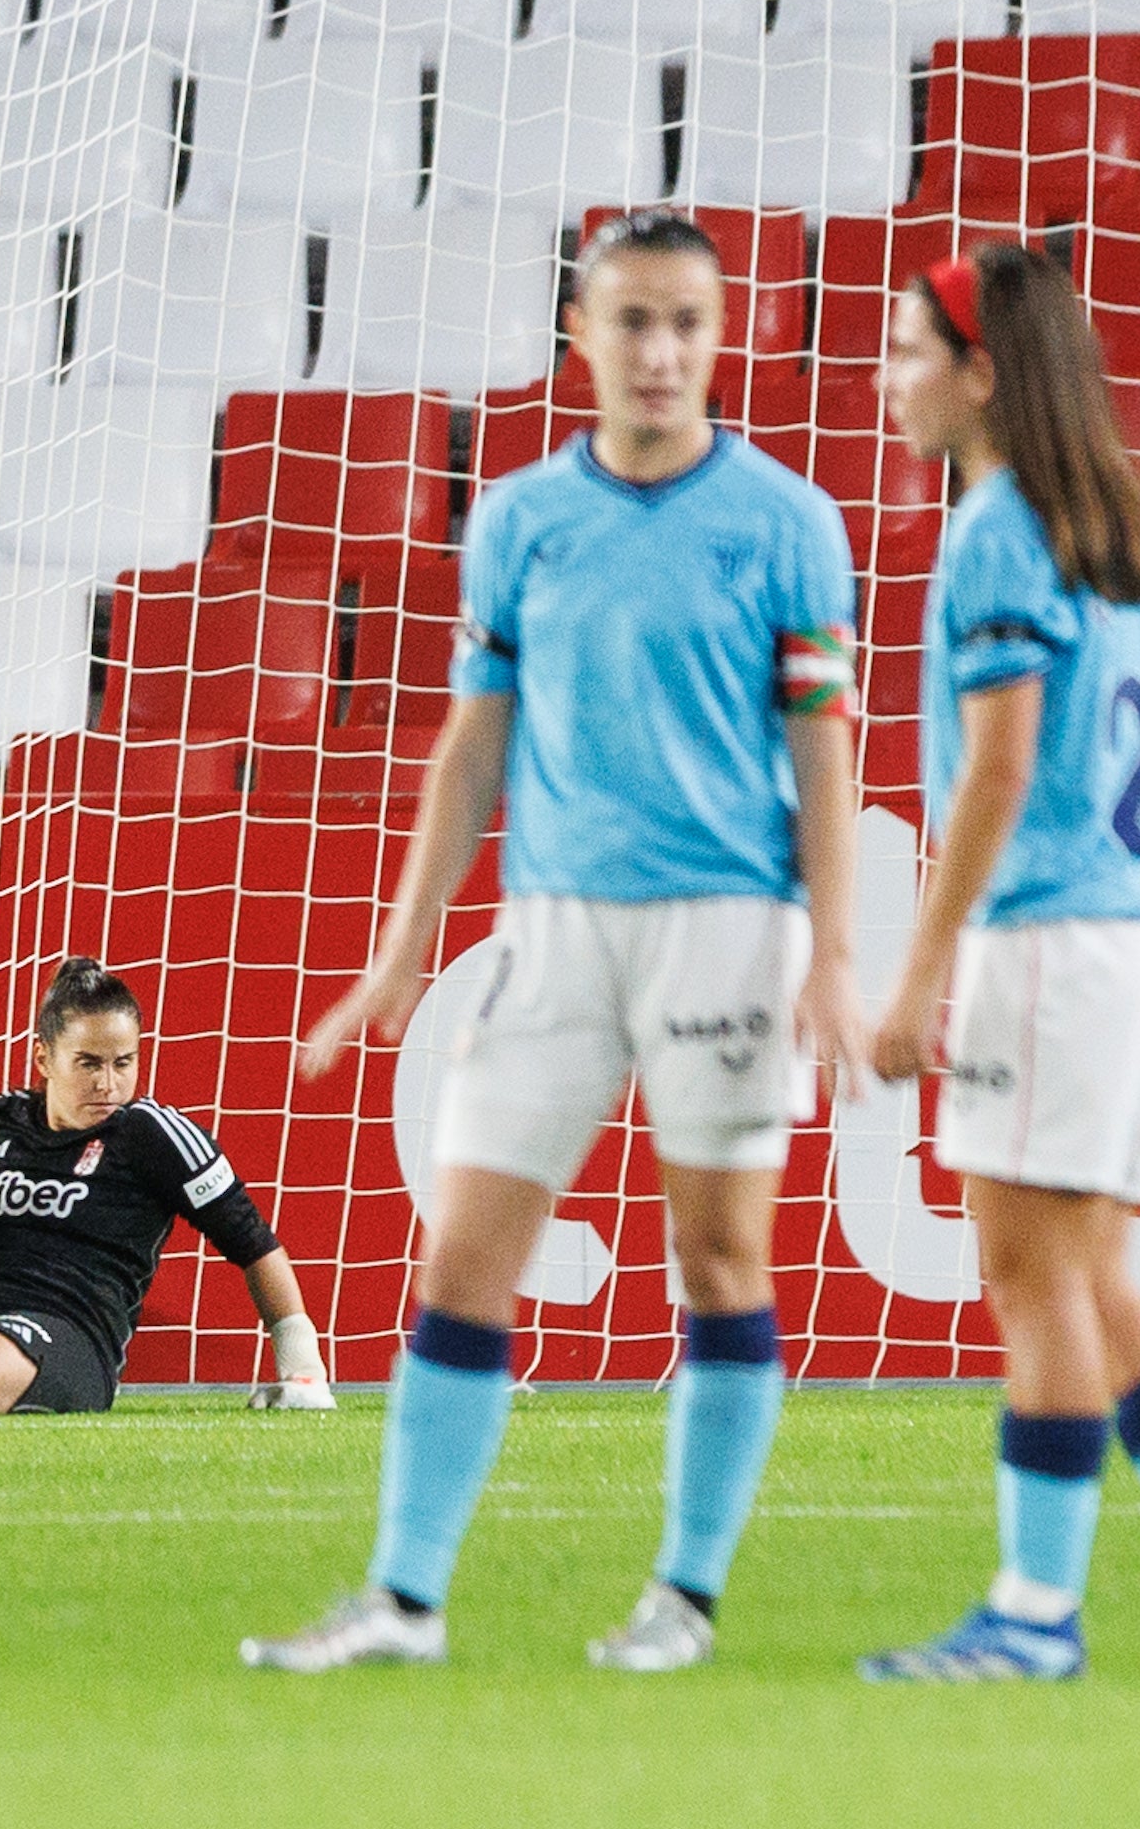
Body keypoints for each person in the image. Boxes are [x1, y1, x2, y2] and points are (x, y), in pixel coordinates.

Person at [241, 209, 868, 1675]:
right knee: (464, 1259)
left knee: (719, 1261)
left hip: (729, 929)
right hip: (556, 930)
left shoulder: (788, 521)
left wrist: (835, 954)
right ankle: (404, 1598)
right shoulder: (521, 519)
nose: (660, 351)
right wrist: (403, 947)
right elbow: (473, 743)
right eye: (633, 319)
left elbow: (823, 746)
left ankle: (685, 1600)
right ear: (580, 334)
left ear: (721, 337)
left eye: (687, 323)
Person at [857, 244, 1140, 1681]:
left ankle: (1034, 1614)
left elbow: (998, 772)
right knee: (1093, 1280)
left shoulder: (998, 528)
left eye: (907, 350)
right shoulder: (1091, 522)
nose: (885, 376)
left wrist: (920, 972)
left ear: (981, 375)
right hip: (1138, 931)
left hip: (1053, 938)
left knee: (1031, 1275)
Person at [0, 957, 333, 1418]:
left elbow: (255, 1245)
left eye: (123, 1063)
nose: (108, 1083)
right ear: (44, 1058)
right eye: (88, 1063)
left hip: (69, 1345)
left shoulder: (153, 1135)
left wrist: (302, 1366)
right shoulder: (1, 1119)